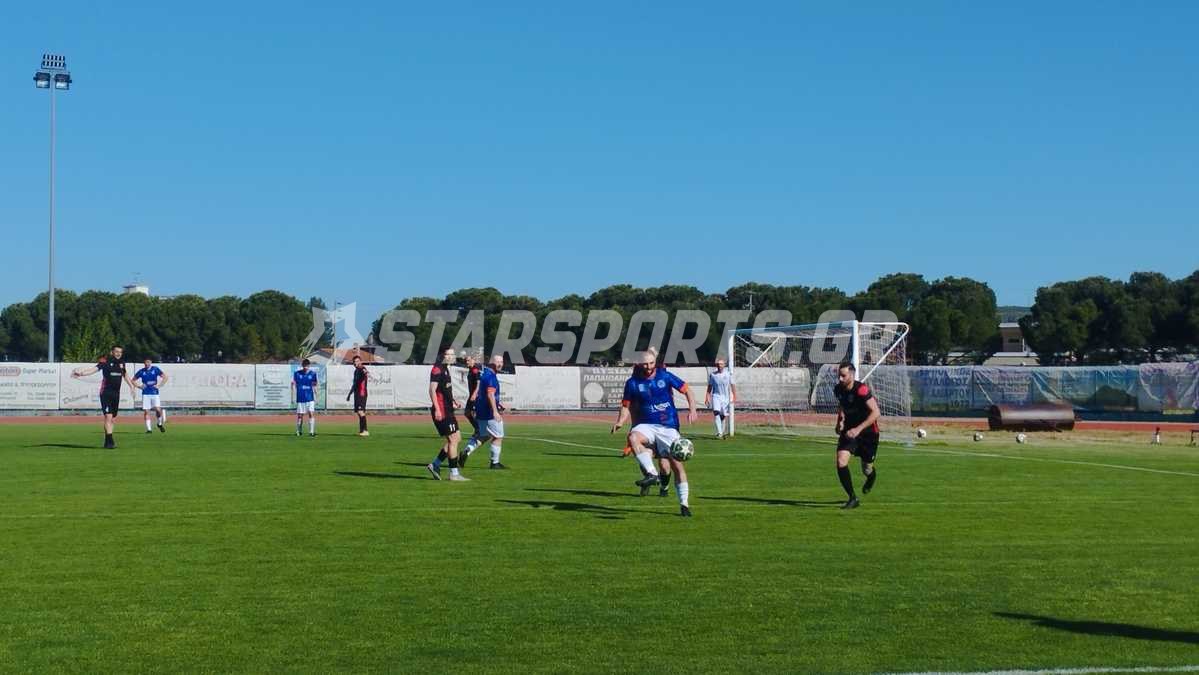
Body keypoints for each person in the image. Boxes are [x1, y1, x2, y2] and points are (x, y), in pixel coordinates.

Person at [611, 350, 699, 516]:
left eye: (651, 363)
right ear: (639, 364)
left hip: (668, 427)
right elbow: (625, 405)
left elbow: (687, 390)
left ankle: (684, 504)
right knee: (633, 437)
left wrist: (693, 410)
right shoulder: (632, 383)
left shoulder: (665, 376)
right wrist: (620, 421)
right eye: (645, 364)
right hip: (646, 425)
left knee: (675, 466)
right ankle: (652, 474)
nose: (649, 367)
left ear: (655, 362)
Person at [833, 361, 881, 510]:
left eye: (843, 376)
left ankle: (871, 477)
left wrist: (858, 429)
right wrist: (839, 422)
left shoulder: (861, 390)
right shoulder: (838, 389)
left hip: (868, 433)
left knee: (866, 469)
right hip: (849, 431)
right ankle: (852, 498)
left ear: (852, 375)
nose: (840, 379)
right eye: (839, 375)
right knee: (841, 461)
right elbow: (842, 405)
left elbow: (876, 412)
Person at [70, 345, 136, 449]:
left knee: (113, 419)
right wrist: (81, 374)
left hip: (116, 394)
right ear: (112, 352)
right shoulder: (105, 361)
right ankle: (110, 442)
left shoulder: (122, 363)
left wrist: (131, 386)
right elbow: (94, 369)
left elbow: (125, 374)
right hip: (106, 393)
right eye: (116, 351)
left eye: (120, 352)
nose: (118, 354)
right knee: (108, 417)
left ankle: (107, 441)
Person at [425, 348, 467, 481]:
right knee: (453, 440)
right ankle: (454, 474)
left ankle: (435, 464)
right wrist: (437, 409)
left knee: (457, 438)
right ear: (443, 356)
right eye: (450, 354)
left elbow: (444, 389)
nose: (452, 356)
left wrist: (453, 401)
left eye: (453, 354)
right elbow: (432, 390)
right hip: (442, 411)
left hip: (448, 409)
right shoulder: (437, 369)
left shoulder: (446, 368)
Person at [463, 355, 508, 469]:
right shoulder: (490, 376)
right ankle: (495, 463)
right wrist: (495, 411)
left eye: (501, 362)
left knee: (484, 435)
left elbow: (484, 394)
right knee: (498, 437)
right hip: (489, 413)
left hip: (481, 412)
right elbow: (490, 394)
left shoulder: (485, 374)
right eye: (498, 362)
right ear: (492, 363)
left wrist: (498, 404)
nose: (500, 364)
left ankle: (467, 450)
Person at [132, 357, 169, 433]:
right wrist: (139, 386)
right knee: (146, 411)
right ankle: (149, 429)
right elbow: (133, 380)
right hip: (145, 394)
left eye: (148, 362)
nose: (147, 364)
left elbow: (165, 377)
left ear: (151, 362)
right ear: (144, 363)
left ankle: (159, 423)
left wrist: (159, 385)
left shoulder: (155, 369)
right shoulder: (141, 371)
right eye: (145, 362)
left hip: (155, 393)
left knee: (158, 410)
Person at [705, 358, 736, 439]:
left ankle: (722, 432)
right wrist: (707, 397)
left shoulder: (728, 374)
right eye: (718, 364)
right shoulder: (713, 375)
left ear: (724, 365)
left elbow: (733, 385)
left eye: (721, 364)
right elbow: (709, 387)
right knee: (716, 412)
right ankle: (719, 432)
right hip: (716, 396)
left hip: (726, 397)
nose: (719, 366)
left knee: (723, 416)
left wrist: (734, 396)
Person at [292, 359, 319, 437]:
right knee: (300, 415)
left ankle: (311, 432)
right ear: (302, 365)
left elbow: (315, 385)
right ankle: (299, 431)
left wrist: (317, 396)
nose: (305, 367)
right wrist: (293, 396)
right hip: (300, 398)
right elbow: (293, 384)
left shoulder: (313, 374)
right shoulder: (297, 373)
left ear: (309, 366)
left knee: (311, 413)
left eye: (307, 366)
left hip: (310, 398)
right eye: (304, 365)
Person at [462, 354, 483, 445]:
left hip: (476, 396)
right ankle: (478, 429)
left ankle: (479, 431)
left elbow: (479, 383)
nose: (467, 362)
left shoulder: (475, 370)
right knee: (467, 413)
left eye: (468, 360)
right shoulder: (471, 370)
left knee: (473, 414)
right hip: (472, 395)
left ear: (473, 360)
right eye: (466, 361)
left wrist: (475, 394)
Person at [346, 355, 370, 437]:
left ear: (360, 361)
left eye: (357, 361)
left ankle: (365, 430)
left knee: (361, 411)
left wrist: (366, 373)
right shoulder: (356, 371)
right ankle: (361, 430)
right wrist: (349, 394)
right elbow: (355, 384)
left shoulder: (362, 368)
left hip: (362, 393)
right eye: (354, 362)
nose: (355, 363)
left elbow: (365, 372)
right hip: (357, 394)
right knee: (359, 413)